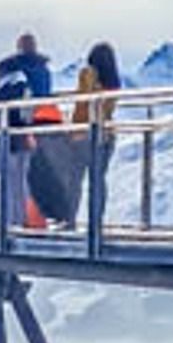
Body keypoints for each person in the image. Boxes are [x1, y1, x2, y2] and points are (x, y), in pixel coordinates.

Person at [53, 40, 123, 226]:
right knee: (98, 180)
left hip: (85, 133)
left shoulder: (87, 73)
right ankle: (96, 221)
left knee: (74, 178)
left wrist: (73, 129)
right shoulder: (114, 81)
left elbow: (83, 103)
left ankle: (69, 220)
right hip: (107, 133)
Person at [0, 32, 52, 231]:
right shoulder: (43, 71)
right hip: (36, 128)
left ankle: (12, 220)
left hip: (12, 128)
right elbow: (45, 98)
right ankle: (28, 219)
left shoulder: (10, 72)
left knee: (11, 177)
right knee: (27, 178)